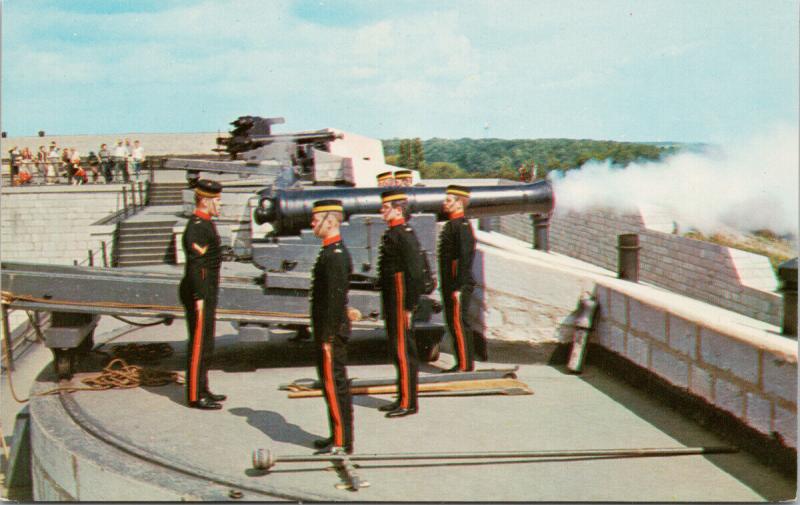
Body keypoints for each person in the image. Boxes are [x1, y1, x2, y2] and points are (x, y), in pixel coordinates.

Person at [309, 199, 356, 454]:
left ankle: (341, 441)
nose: (312, 223)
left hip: (331, 333)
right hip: (328, 331)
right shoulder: (330, 251)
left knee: (334, 384)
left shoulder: (335, 255)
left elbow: (335, 301)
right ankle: (336, 435)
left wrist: (327, 336)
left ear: (330, 220)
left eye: (316, 219)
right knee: (331, 384)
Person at [376, 189, 425, 418]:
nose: (381, 211)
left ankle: (408, 403)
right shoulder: (394, 233)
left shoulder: (403, 235)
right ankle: (402, 397)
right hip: (393, 300)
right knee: (398, 350)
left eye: (385, 208)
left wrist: (409, 307)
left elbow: (415, 274)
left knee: (405, 351)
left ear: (398, 209)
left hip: (401, 300)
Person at [179, 179, 226, 410]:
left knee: (206, 342)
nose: (220, 205)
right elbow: (197, 266)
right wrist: (200, 297)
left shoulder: (206, 223)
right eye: (217, 201)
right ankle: (195, 395)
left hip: (207, 291)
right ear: (205, 201)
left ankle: (203, 387)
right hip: (200, 293)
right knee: (199, 344)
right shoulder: (197, 226)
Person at [438, 185, 477, 372]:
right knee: (454, 323)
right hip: (451, 284)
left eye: (448, 200)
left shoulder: (461, 226)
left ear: (459, 203)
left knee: (458, 323)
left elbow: (464, 258)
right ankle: (462, 362)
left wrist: (459, 287)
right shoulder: (452, 225)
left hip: (458, 284)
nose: (444, 203)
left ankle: (464, 365)